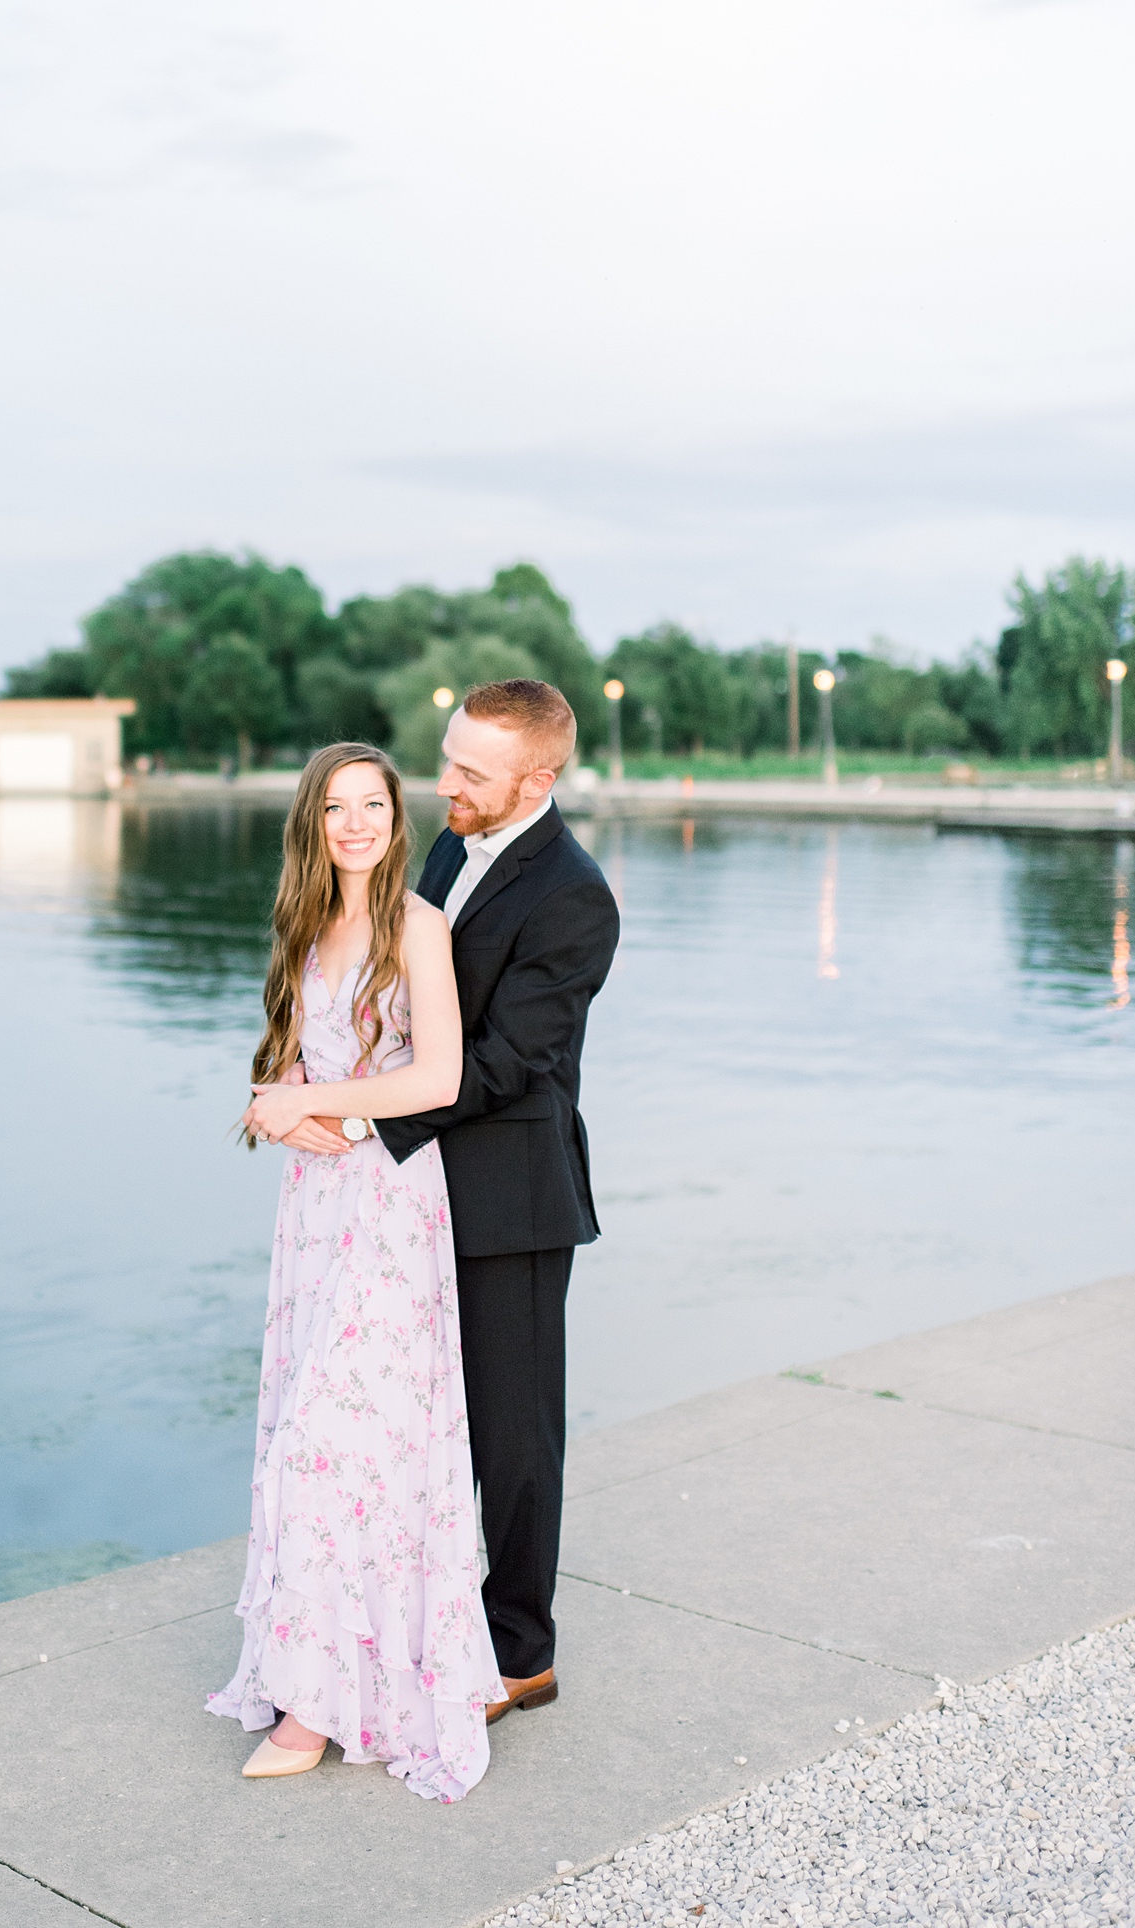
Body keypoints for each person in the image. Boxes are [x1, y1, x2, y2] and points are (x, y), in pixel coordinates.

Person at [207, 742, 505, 1800]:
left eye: (372, 804)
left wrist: (327, 1108)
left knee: (330, 1447)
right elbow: (291, 1057)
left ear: (396, 815)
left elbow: (439, 1073)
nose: (354, 824)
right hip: (315, 1209)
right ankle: (330, 1676)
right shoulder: (302, 923)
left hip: (388, 1203)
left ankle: (312, 1709)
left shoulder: (417, 926)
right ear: (314, 822)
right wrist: (278, 1099)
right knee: (332, 1442)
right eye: (335, 808)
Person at [378, 680, 619, 1721]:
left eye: (471, 773)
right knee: (425, 1420)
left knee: (515, 1439)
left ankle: (522, 1654)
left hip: (513, 1198)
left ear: (540, 777)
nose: (446, 786)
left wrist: (371, 1120)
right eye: (447, 759)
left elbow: (513, 1060)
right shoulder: (445, 847)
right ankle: (426, 1616)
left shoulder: (576, 895)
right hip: (421, 1188)